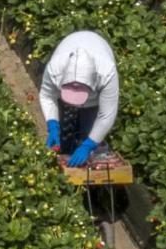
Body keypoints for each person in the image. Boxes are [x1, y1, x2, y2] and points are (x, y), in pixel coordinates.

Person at [40, 31, 120, 168]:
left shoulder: (107, 73)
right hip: (69, 45)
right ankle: (67, 148)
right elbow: (47, 96)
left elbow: (106, 114)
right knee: (63, 131)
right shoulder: (54, 68)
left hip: (94, 99)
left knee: (90, 130)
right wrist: (52, 124)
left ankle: (89, 152)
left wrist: (89, 144)